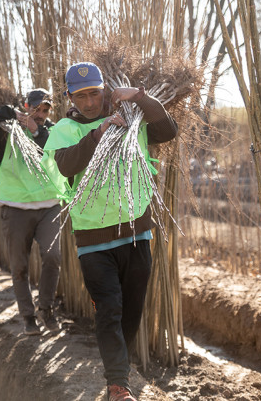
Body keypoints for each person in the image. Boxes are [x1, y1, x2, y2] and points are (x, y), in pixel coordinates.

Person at [43, 62, 177, 401]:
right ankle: (118, 385)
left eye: (95, 93)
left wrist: (140, 97)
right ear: (69, 96)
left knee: (131, 310)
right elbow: (66, 164)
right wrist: (98, 135)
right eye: (80, 95)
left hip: (136, 231)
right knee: (109, 308)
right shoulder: (64, 128)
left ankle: (120, 373)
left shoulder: (134, 118)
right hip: (93, 238)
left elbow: (168, 130)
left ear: (105, 90)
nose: (89, 102)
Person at [0, 88, 68, 336]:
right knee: (19, 267)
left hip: (49, 205)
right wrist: (7, 114)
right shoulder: (7, 131)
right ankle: (28, 317)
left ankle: (46, 310)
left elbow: (48, 147)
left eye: (45, 109)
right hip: (15, 206)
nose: (40, 113)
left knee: (53, 257)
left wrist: (36, 130)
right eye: (36, 108)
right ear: (26, 106)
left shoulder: (53, 131)